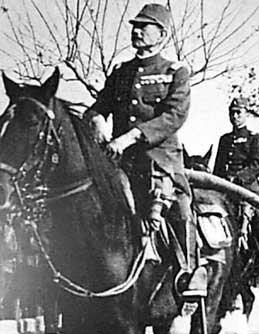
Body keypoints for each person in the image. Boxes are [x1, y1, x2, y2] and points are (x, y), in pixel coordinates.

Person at [83, 3, 204, 299]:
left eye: (144, 26)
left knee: (180, 209)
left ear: (161, 34)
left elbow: (173, 116)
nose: (136, 30)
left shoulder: (175, 72)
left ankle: (189, 273)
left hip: (159, 162)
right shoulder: (122, 73)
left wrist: (129, 137)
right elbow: (100, 106)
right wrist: (97, 118)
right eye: (134, 25)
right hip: (121, 165)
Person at [213, 97, 259, 255]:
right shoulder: (225, 140)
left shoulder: (254, 138)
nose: (235, 116)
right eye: (232, 113)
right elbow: (218, 167)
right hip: (226, 189)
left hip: (247, 188)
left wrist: (238, 178)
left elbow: (256, 165)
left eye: (238, 112)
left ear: (247, 115)